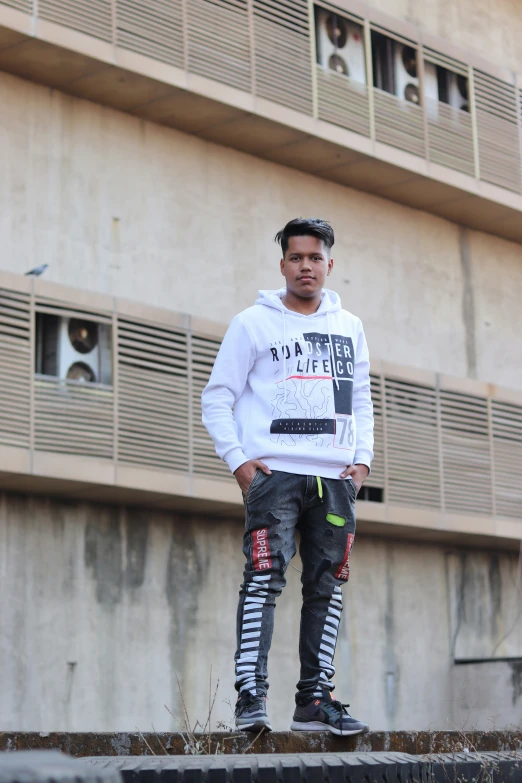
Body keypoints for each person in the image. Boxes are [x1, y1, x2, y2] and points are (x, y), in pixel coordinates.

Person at [201, 218, 374, 736]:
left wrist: (362, 458)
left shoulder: (350, 326)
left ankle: (315, 703)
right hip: (273, 475)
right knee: (262, 581)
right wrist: (238, 460)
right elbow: (217, 397)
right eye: (296, 257)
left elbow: (361, 400)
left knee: (328, 587)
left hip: (336, 479)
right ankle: (250, 701)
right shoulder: (252, 323)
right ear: (283, 265)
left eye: (314, 258)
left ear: (329, 264)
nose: (306, 266)